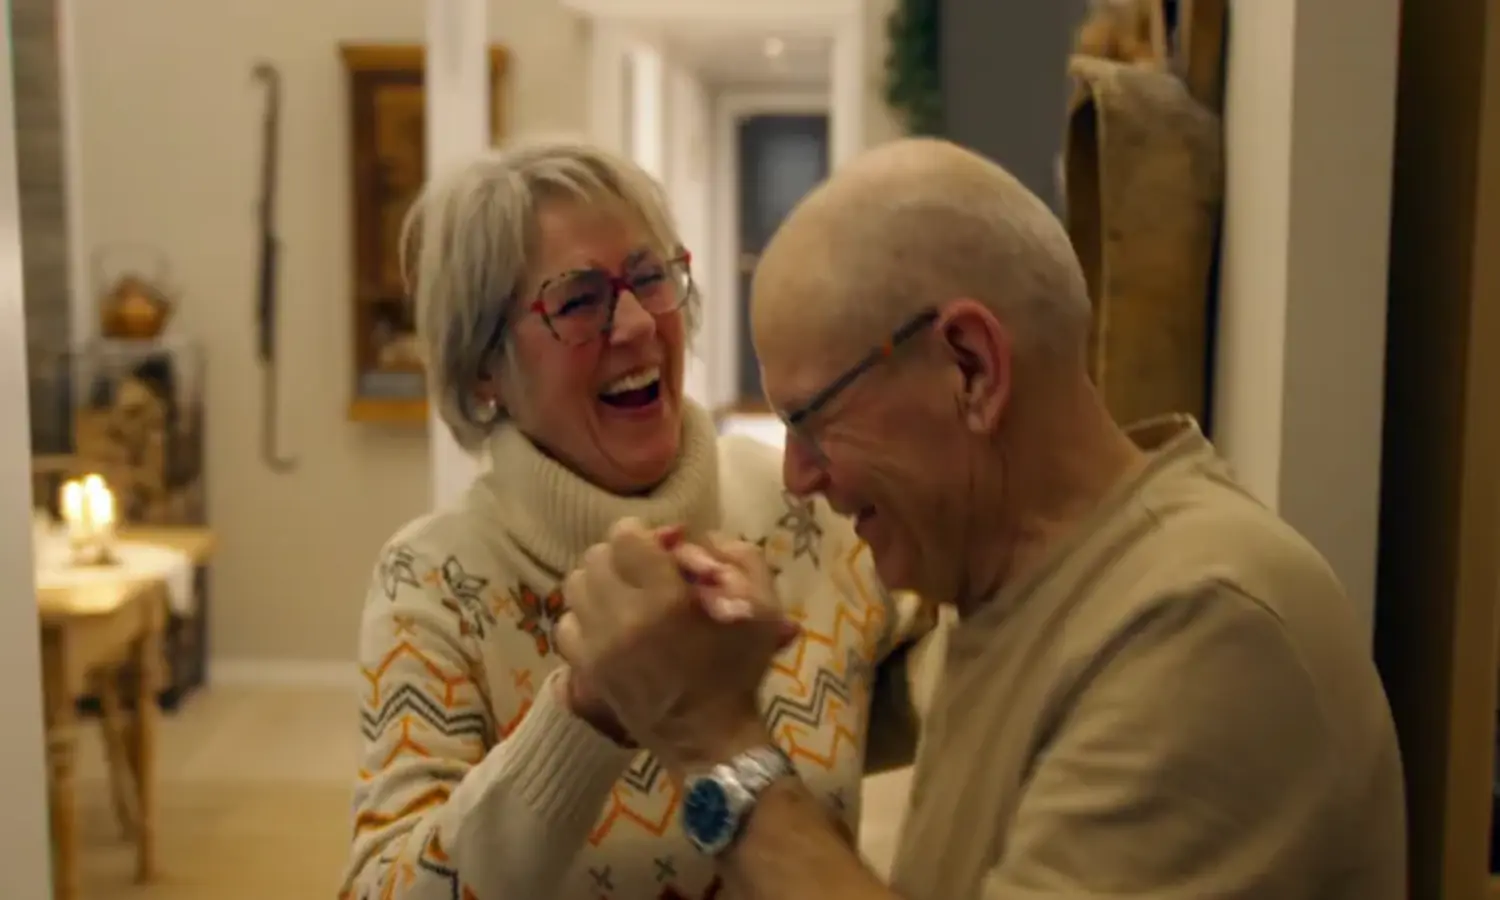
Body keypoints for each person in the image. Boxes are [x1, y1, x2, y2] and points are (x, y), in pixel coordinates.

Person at [555, 137, 1408, 900]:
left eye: (813, 421)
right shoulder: (1007, 590)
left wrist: (711, 734)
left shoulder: (1206, 623)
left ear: (970, 367)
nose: (799, 476)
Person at [338, 138, 934, 900]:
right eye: (578, 301)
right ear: (485, 367)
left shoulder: (802, 510)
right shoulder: (436, 582)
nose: (637, 325)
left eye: (650, 278)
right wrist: (587, 708)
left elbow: (980, 663)